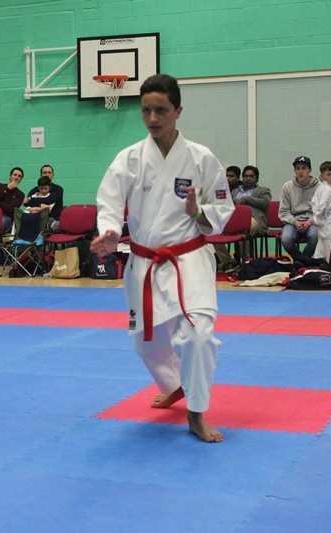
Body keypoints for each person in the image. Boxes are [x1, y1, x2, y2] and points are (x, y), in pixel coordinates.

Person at [90, 74, 233, 443]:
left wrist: (198, 212)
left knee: (198, 336)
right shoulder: (129, 159)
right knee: (145, 343)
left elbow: (222, 210)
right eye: (146, 111)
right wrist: (109, 230)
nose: (152, 119)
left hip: (189, 259)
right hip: (145, 262)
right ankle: (176, 384)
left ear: (178, 111)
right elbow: (108, 201)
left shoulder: (201, 158)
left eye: (161, 110)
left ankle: (196, 413)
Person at [278, 156, 320, 263]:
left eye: (304, 168)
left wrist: (309, 222)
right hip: (293, 222)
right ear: (294, 170)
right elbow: (283, 211)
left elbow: (321, 211)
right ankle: (302, 261)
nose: (300, 171)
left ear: (310, 170)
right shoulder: (287, 187)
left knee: (315, 236)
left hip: (313, 222)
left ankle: (301, 262)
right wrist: (294, 221)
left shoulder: (320, 187)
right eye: (297, 168)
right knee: (286, 239)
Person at [24, 164, 64, 229]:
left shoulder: (58, 189)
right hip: (35, 215)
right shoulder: (35, 189)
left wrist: (32, 199)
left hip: (52, 218)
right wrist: (41, 204)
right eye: (45, 172)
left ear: (53, 175)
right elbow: (26, 203)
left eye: (49, 173)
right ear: (41, 175)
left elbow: (48, 200)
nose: (47, 174)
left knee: (45, 222)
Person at [0, 167, 25, 232]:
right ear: (10, 176)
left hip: (5, 217)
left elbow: (10, 209)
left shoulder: (20, 194)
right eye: (15, 175)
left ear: (21, 179)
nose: (16, 177)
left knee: (1, 222)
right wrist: (7, 188)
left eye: (19, 176)